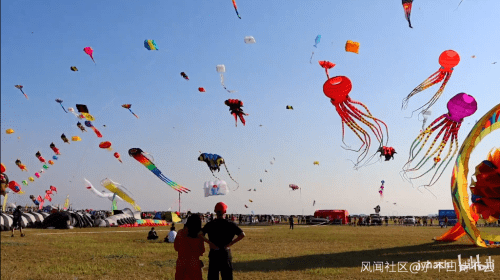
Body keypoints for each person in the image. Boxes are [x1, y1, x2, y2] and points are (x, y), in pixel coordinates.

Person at [200, 202, 245, 280]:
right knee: (227, 277)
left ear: (215, 211)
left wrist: (210, 243)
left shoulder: (210, 224)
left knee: (213, 277)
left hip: (214, 253)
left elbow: (200, 234)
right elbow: (242, 234)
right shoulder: (230, 224)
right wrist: (230, 244)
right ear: (225, 212)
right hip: (225, 253)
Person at [174, 214, 205, 280]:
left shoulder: (180, 233)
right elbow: (202, 250)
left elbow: (176, 248)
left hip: (181, 264)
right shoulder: (199, 236)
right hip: (194, 265)